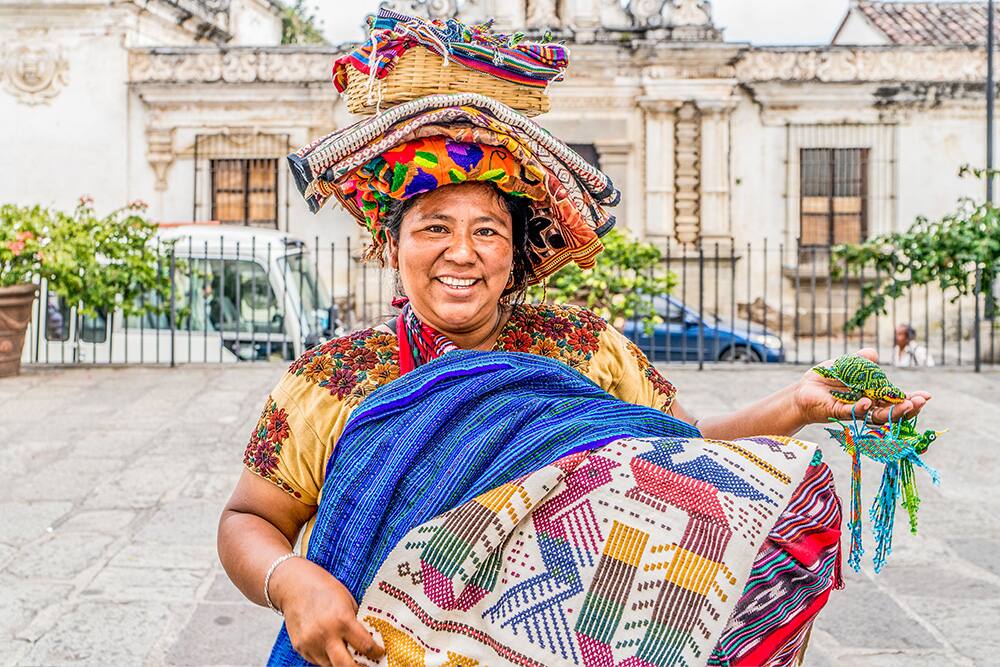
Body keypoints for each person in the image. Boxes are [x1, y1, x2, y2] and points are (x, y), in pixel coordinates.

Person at [217, 93, 932, 667]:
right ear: (391, 242)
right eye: (434, 226)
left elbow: (679, 454)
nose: (461, 253)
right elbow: (250, 519)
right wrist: (293, 581)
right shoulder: (332, 380)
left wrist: (797, 404)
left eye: (488, 231)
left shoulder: (586, 351)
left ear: (518, 255)